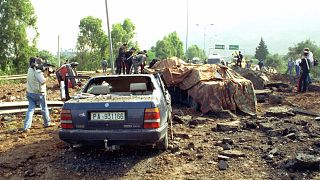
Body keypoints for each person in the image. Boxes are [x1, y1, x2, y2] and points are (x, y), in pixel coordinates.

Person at [22, 57, 53, 132]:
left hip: (30, 92)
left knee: (30, 110)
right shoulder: (38, 71)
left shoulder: (29, 70)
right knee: (44, 108)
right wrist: (48, 75)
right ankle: (47, 123)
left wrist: (44, 71)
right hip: (39, 93)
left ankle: (26, 127)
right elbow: (42, 81)